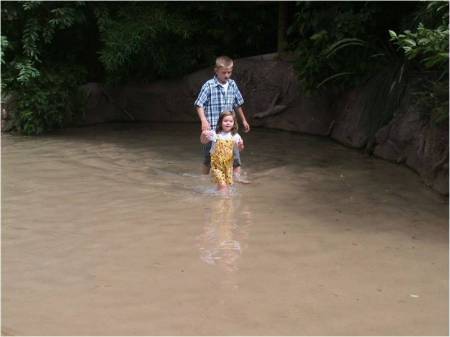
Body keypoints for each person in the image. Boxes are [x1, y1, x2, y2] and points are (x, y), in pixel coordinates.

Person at [194, 55, 250, 180]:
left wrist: (244, 120)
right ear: (216, 71)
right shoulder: (209, 85)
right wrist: (203, 121)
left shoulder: (232, 85)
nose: (227, 75)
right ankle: (203, 180)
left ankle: (238, 179)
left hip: (230, 130)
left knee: (235, 157)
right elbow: (199, 104)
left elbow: (238, 103)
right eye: (224, 72)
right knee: (208, 159)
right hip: (213, 129)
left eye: (229, 72)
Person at [200, 111, 244, 192]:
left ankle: (217, 197)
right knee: (223, 186)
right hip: (217, 166)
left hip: (228, 166)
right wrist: (203, 135)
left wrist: (241, 145)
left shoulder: (235, 136)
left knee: (225, 187)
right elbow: (203, 141)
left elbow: (240, 149)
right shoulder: (215, 134)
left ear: (234, 123)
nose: (228, 123)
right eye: (225, 121)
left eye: (231, 121)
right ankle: (222, 202)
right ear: (220, 122)